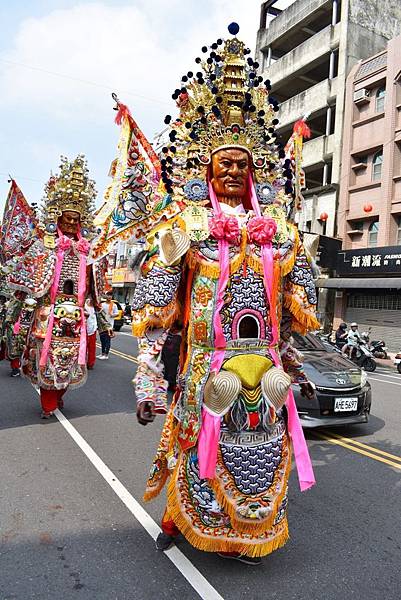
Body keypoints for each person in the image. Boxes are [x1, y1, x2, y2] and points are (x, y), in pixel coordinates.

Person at [117, 25, 320, 563]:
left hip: (265, 364)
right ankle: (177, 520)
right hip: (206, 363)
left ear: (256, 171)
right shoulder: (185, 223)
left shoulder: (279, 228)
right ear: (206, 166)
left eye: (243, 164)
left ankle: (250, 532)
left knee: (259, 447)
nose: (234, 170)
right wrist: (147, 377)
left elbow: (293, 307)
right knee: (193, 442)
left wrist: (295, 359)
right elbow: (157, 308)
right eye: (224, 162)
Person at [8, 155, 105, 418]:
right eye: (67, 218)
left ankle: (58, 395)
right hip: (47, 314)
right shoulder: (46, 246)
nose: (72, 224)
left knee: (70, 362)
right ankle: (48, 404)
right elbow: (30, 282)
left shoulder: (87, 251)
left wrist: (95, 311)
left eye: (76, 219)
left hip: (75, 319)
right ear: (58, 218)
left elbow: (95, 287)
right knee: (47, 359)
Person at [97, 291, 118, 360]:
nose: (109, 297)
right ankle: (102, 353)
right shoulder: (102, 304)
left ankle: (106, 355)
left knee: (107, 340)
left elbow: (117, 313)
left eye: (111, 295)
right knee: (102, 340)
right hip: (102, 324)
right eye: (108, 295)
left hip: (109, 325)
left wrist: (113, 315)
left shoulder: (114, 305)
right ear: (105, 296)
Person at [85, 297, 97, 369]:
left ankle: (90, 363)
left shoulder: (96, 308)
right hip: (84, 329)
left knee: (92, 348)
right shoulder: (83, 306)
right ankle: (82, 363)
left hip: (93, 329)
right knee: (84, 347)